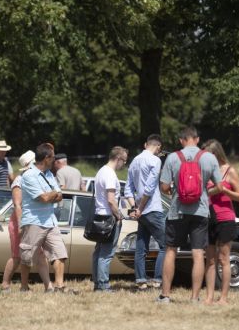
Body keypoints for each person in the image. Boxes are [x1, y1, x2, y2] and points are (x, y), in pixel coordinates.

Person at [157, 126, 222, 303]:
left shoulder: (172, 158)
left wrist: (174, 191)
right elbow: (220, 186)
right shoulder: (209, 158)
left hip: (177, 211)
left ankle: (165, 295)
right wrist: (204, 193)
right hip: (200, 211)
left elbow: (163, 186)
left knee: (171, 250)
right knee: (198, 253)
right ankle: (194, 297)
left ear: (181, 140)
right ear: (197, 139)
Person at [19, 143, 71, 293]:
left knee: (60, 253)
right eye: (53, 157)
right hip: (34, 221)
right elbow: (43, 198)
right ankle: (24, 286)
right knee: (27, 256)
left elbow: (59, 196)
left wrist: (52, 194)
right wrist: (52, 194)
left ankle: (59, 287)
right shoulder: (29, 175)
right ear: (46, 158)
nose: (55, 160)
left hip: (50, 221)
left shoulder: (49, 174)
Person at [201, 139, 239, 306]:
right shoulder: (205, 171)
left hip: (226, 218)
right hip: (208, 217)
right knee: (210, 259)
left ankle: (223, 298)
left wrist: (224, 189)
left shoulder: (229, 171)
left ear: (216, 154)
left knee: (224, 258)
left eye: (207, 154)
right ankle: (209, 297)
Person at [1, 150, 49, 292]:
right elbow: (17, 205)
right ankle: (5, 285)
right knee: (17, 256)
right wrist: (22, 225)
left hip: (33, 221)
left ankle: (24, 286)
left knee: (32, 254)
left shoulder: (35, 178)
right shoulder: (19, 180)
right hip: (20, 221)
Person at [125, 134, 166, 290]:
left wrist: (135, 207)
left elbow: (128, 189)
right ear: (158, 147)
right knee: (166, 245)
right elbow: (149, 188)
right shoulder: (155, 160)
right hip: (152, 208)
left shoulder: (134, 161)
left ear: (145, 144)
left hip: (140, 211)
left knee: (141, 247)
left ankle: (140, 280)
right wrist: (141, 207)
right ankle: (157, 279)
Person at [91, 146, 128, 292]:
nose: (124, 164)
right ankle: (103, 285)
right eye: (124, 161)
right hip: (108, 217)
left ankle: (97, 284)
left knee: (99, 251)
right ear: (118, 158)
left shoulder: (101, 171)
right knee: (106, 254)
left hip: (100, 215)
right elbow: (111, 200)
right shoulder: (110, 174)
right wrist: (119, 216)